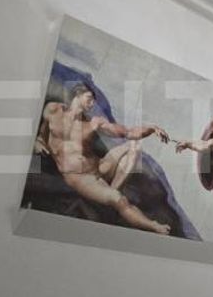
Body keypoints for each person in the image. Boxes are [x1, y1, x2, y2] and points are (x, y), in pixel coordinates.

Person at [34, 83, 171, 235]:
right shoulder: (54, 109)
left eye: (94, 100)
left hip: (99, 167)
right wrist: (38, 142)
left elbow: (128, 132)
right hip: (80, 177)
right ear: (78, 95)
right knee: (119, 199)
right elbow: (43, 131)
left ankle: (113, 190)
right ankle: (154, 226)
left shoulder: (94, 123)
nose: (92, 103)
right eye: (89, 98)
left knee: (135, 146)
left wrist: (152, 128)